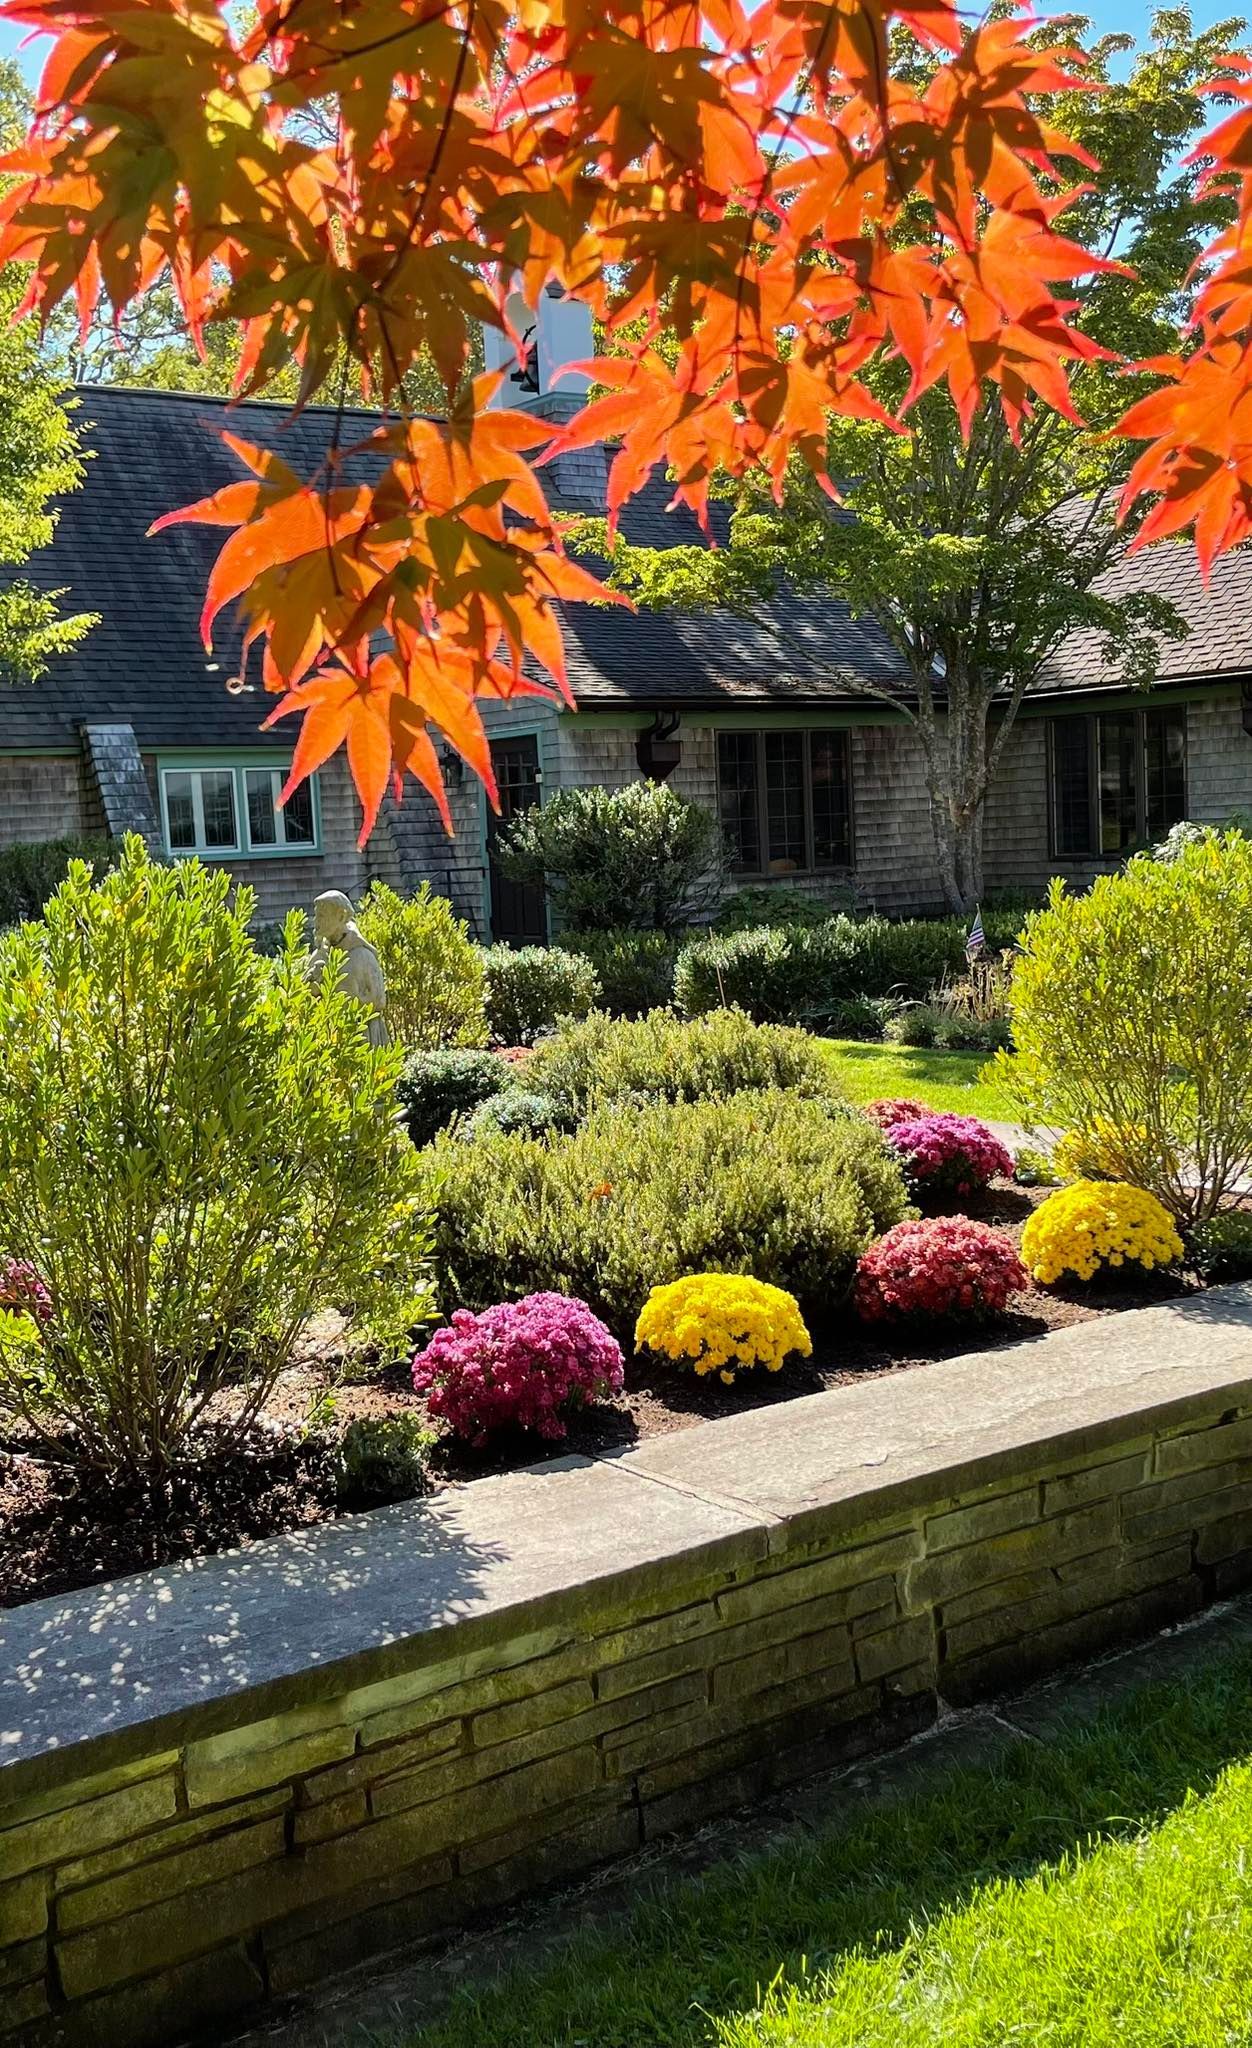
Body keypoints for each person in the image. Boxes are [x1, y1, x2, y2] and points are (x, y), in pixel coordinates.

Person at [306, 890, 390, 1047]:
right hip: (328, 1037)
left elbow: (379, 1000)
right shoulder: (319, 956)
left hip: (363, 1035)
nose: (316, 921)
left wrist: (346, 1003)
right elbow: (305, 998)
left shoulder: (362, 956)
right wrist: (312, 986)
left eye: (322, 916)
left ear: (341, 916)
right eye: (316, 915)